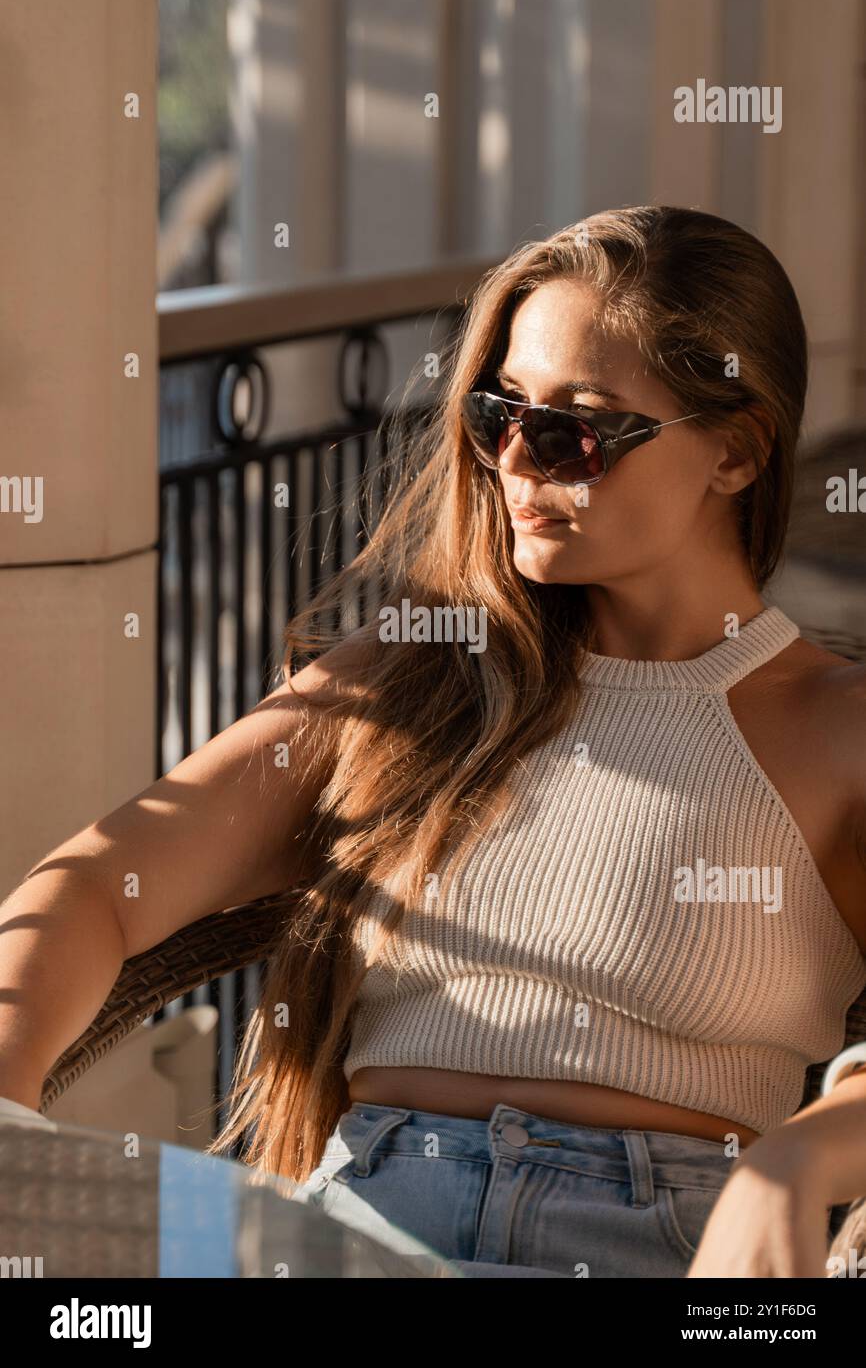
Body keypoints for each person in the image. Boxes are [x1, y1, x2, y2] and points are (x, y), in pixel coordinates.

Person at [2, 206, 865, 1278]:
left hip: (657, 1243)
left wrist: (800, 1159)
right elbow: (97, 884)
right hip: (355, 1226)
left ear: (733, 451)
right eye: (499, 412)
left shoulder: (833, 729)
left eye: (576, 428)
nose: (515, 459)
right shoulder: (416, 674)